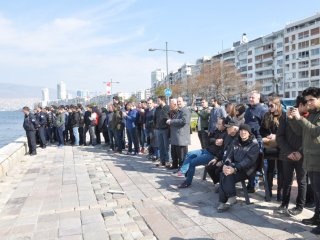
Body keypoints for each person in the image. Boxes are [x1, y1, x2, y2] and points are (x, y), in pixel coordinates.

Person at [288, 87, 320, 235]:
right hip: (310, 157)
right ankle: (316, 217)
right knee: (316, 192)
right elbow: (301, 131)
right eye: (307, 101)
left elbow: (314, 131)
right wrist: (293, 119)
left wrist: (301, 119)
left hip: (317, 158)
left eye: (311, 100)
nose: (308, 103)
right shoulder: (312, 114)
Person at [276, 95, 308, 216]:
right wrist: (289, 151)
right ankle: (284, 204)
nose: (309, 107)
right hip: (287, 154)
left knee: (302, 181)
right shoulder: (285, 115)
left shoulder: (310, 117)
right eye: (306, 105)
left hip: (303, 155)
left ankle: (299, 207)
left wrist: (300, 152)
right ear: (300, 105)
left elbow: (309, 138)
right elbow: (279, 136)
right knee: (286, 180)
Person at [217, 124, 260, 212]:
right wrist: (226, 164)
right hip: (235, 166)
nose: (243, 132)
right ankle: (226, 200)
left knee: (228, 175)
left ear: (249, 133)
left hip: (247, 170)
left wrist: (235, 169)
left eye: (245, 131)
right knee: (223, 173)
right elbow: (230, 155)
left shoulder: (254, 145)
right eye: (241, 131)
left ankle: (228, 199)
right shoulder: (236, 141)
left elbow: (248, 161)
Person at [176, 118, 227, 188]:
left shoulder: (226, 134)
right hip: (206, 150)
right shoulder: (216, 131)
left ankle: (187, 182)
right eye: (217, 123)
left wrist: (222, 142)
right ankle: (183, 171)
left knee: (192, 162)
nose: (216, 125)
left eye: (219, 124)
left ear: (224, 125)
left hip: (213, 155)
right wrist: (215, 141)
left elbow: (224, 149)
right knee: (189, 154)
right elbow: (208, 139)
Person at [260, 97, 284, 201]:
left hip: (282, 146)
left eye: (271, 105)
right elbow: (262, 130)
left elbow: (287, 131)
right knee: (269, 169)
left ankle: (280, 193)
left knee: (281, 170)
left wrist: (276, 136)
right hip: (269, 145)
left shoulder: (283, 115)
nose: (269, 107)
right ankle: (268, 192)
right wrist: (268, 135)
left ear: (277, 105)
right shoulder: (266, 115)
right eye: (268, 105)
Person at [205, 119, 240, 191]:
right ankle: (219, 183)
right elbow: (222, 149)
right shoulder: (228, 136)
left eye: (229, 128)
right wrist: (216, 158)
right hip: (224, 158)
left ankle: (224, 186)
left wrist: (223, 162)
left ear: (235, 129)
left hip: (232, 162)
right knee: (209, 167)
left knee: (218, 170)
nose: (227, 129)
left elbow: (234, 155)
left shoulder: (238, 138)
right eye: (227, 127)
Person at [244, 90, 268, 193]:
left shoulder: (263, 110)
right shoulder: (248, 110)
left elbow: (266, 126)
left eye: (252, 97)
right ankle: (251, 183)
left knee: (257, 162)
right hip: (248, 139)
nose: (250, 99)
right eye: (249, 97)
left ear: (258, 98)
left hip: (258, 140)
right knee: (249, 162)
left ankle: (254, 184)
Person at [167, 97, 191, 170]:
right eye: (177, 102)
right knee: (175, 153)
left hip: (181, 138)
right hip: (176, 137)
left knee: (182, 156)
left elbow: (183, 121)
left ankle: (182, 169)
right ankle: (175, 166)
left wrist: (171, 121)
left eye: (180, 101)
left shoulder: (185, 110)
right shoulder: (179, 111)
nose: (178, 103)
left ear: (183, 102)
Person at [154, 96, 170, 167]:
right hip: (158, 129)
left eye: (158, 100)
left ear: (162, 100)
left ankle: (167, 161)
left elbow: (170, 117)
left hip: (165, 129)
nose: (157, 102)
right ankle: (162, 161)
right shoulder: (157, 109)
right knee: (160, 146)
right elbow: (155, 118)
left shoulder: (168, 108)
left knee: (166, 146)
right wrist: (155, 126)